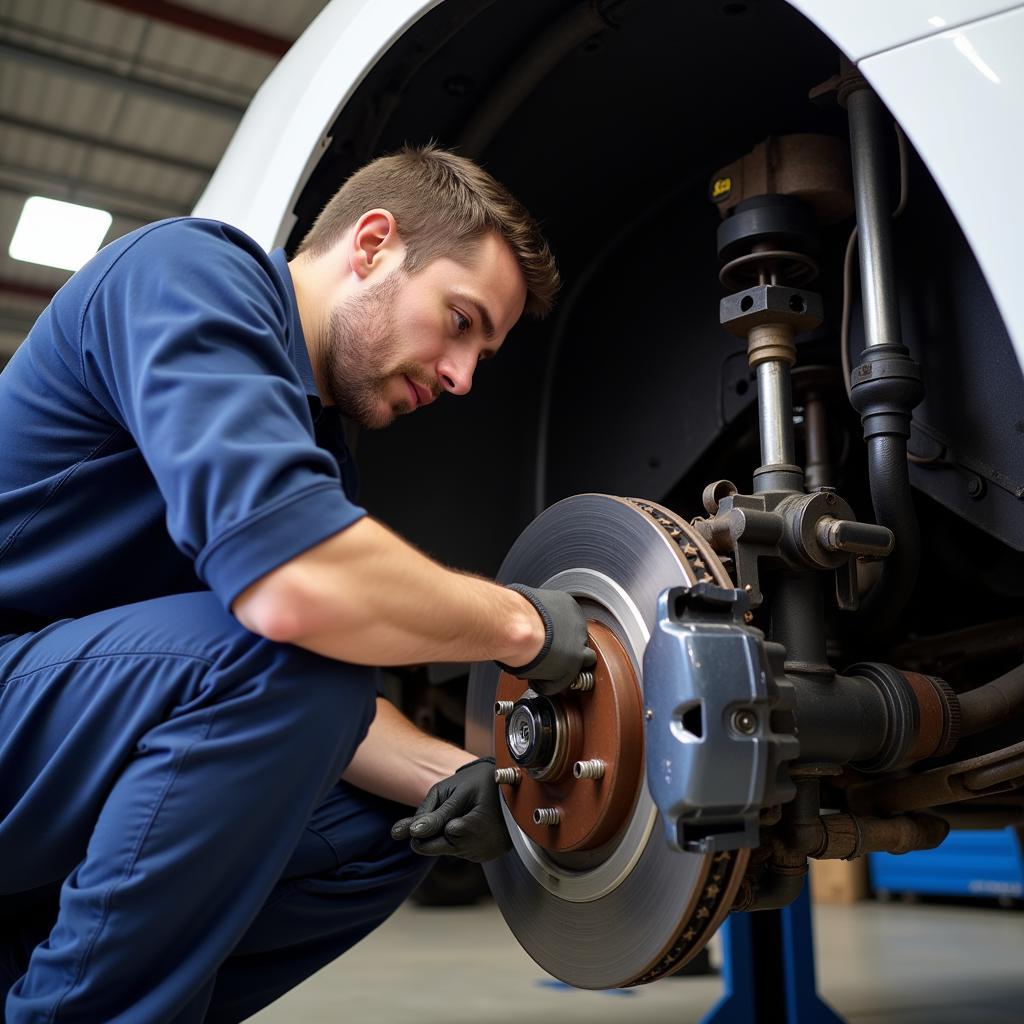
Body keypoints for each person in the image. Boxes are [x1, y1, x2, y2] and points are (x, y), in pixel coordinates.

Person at [0, 144, 593, 1022]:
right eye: (460, 321)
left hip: (54, 743)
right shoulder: (190, 274)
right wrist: (528, 629)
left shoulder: (319, 453)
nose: (463, 377)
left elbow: (302, 704)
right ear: (373, 244)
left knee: (391, 831)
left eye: (485, 355)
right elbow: (291, 604)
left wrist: (473, 774)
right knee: (303, 659)